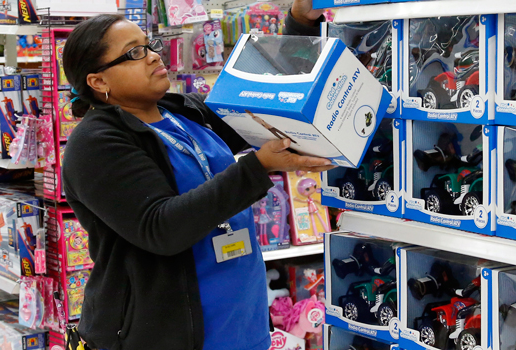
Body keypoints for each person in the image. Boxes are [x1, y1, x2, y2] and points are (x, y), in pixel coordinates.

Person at [61, 2, 329, 349]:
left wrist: (300, 23)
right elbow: (161, 228)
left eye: (150, 45)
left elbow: (272, 101)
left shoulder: (183, 111)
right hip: (164, 336)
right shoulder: (95, 144)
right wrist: (257, 167)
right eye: (134, 53)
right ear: (98, 81)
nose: (154, 57)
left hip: (243, 327)